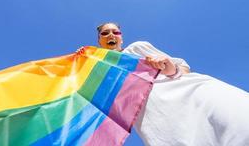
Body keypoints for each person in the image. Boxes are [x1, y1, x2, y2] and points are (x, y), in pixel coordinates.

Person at [78, 22, 249, 146]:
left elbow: (184, 69)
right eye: (105, 33)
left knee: (238, 124)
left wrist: (169, 67)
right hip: (158, 118)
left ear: (121, 38)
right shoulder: (101, 73)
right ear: (99, 41)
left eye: (115, 32)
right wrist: (78, 62)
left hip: (192, 93)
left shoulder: (137, 48)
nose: (111, 35)